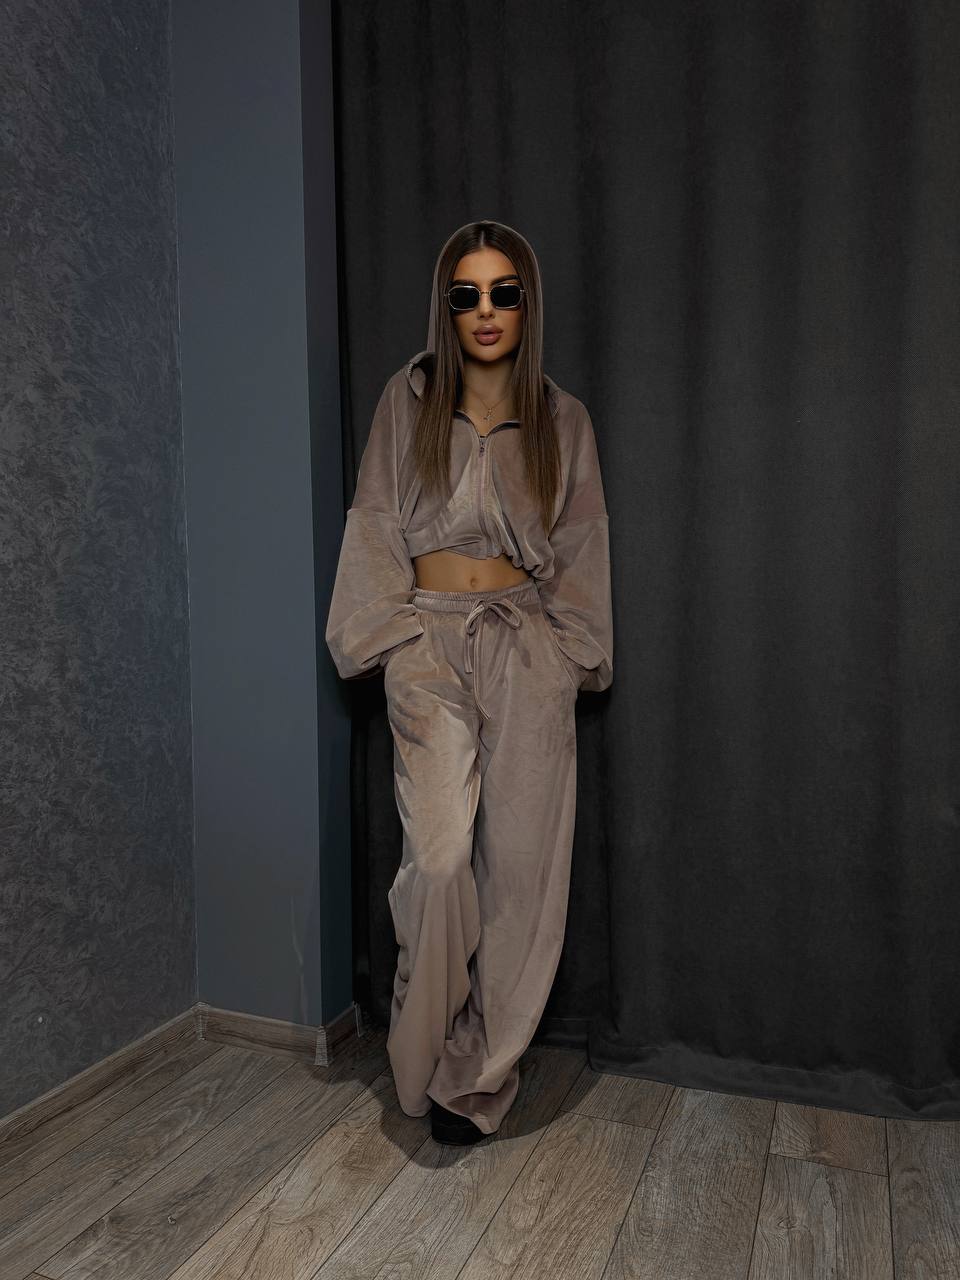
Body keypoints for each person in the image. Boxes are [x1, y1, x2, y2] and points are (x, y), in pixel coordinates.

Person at [325, 219, 613, 1145]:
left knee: (522, 877)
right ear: (446, 309)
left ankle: (479, 1079)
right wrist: (390, 642)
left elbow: (581, 545)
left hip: (527, 646)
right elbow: (375, 520)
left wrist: (568, 658)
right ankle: (420, 1057)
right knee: (443, 861)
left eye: (503, 293)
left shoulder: (563, 420)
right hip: (431, 645)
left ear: (527, 304)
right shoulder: (407, 401)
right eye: (466, 295)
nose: (485, 311)